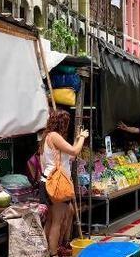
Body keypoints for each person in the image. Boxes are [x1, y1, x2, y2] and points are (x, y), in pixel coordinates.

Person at [38, 110, 89, 257]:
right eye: (66, 122)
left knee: (53, 219)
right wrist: (83, 138)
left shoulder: (46, 138)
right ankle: (53, 253)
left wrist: (77, 138)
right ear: (62, 123)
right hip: (56, 183)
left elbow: (68, 158)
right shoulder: (54, 136)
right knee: (56, 222)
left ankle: (48, 250)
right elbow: (74, 151)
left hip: (47, 181)